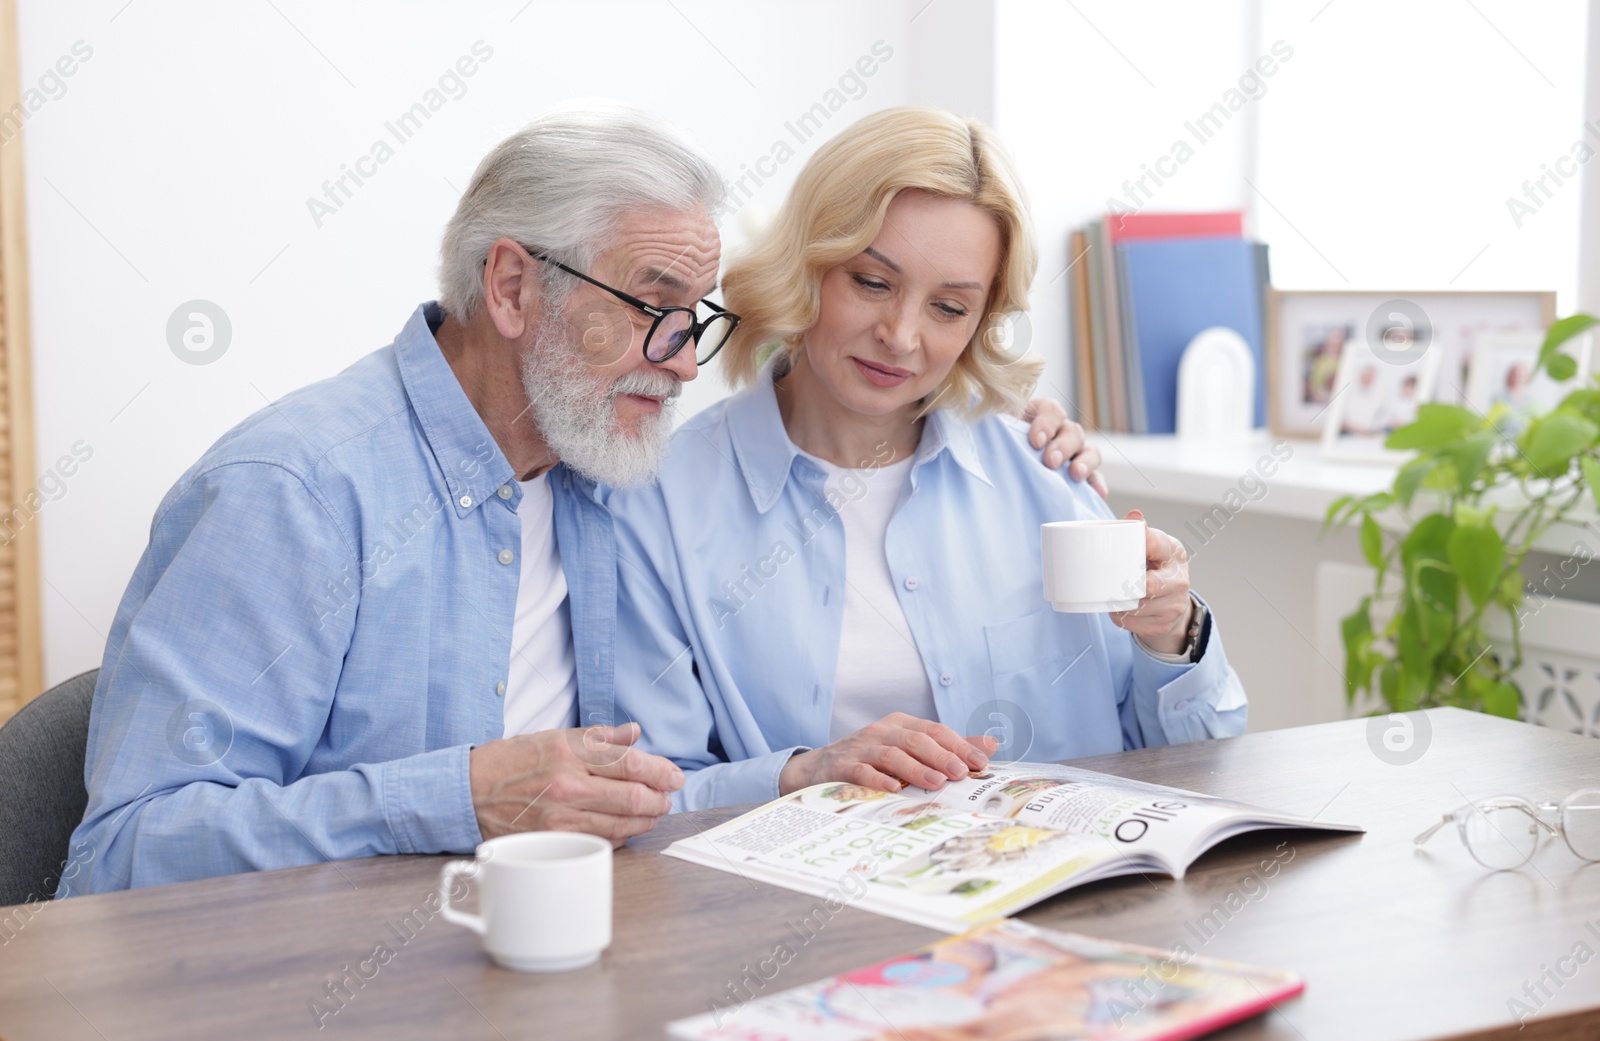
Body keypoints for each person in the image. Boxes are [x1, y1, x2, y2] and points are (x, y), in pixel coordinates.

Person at [61, 104, 1099, 894]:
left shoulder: (606, 481)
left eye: (691, 319)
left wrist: (802, 771)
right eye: (652, 305)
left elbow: (638, 791)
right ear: (512, 288)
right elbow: (123, 852)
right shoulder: (294, 491)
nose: (683, 364)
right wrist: (460, 797)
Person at [610, 107, 1247, 812]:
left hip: (1056, 889)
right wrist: (802, 770)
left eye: (948, 307)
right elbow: (648, 792)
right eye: (872, 283)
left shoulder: (1040, 469)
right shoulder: (659, 501)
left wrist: (1172, 635)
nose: (901, 336)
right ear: (809, 265)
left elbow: (1197, 760)